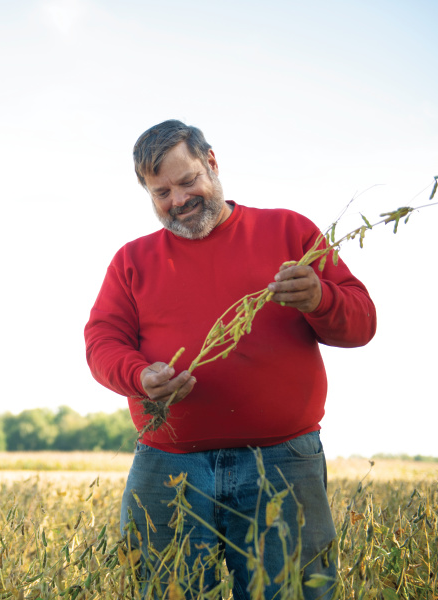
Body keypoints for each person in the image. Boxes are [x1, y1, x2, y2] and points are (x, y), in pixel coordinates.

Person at [84, 120, 376, 599]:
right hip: (167, 465)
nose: (177, 200)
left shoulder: (288, 230)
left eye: (186, 181)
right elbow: (102, 342)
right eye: (161, 192)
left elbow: (362, 323)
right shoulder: (131, 260)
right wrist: (141, 376)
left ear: (212, 163)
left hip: (283, 463)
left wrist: (320, 298)